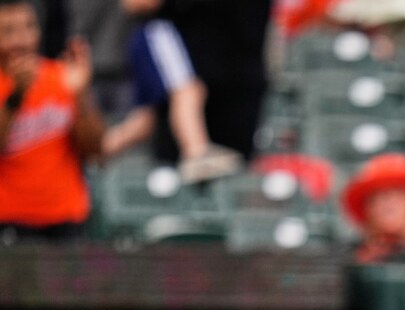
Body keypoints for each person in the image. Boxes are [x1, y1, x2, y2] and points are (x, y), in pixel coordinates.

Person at [100, 0, 243, 184]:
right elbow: (135, 4)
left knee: (145, 121)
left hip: (157, 34)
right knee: (188, 90)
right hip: (156, 32)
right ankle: (196, 152)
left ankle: (91, 155)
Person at [0, 0, 103, 241]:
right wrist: (15, 99)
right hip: (11, 222)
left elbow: (95, 149)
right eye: (8, 31)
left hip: (67, 220)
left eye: (29, 27)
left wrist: (81, 97)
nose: (23, 40)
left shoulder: (63, 77)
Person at [341, 152, 405, 264]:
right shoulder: (352, 256)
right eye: (376, 195)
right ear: (367, 209)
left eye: (398, 191)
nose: (387, 200)